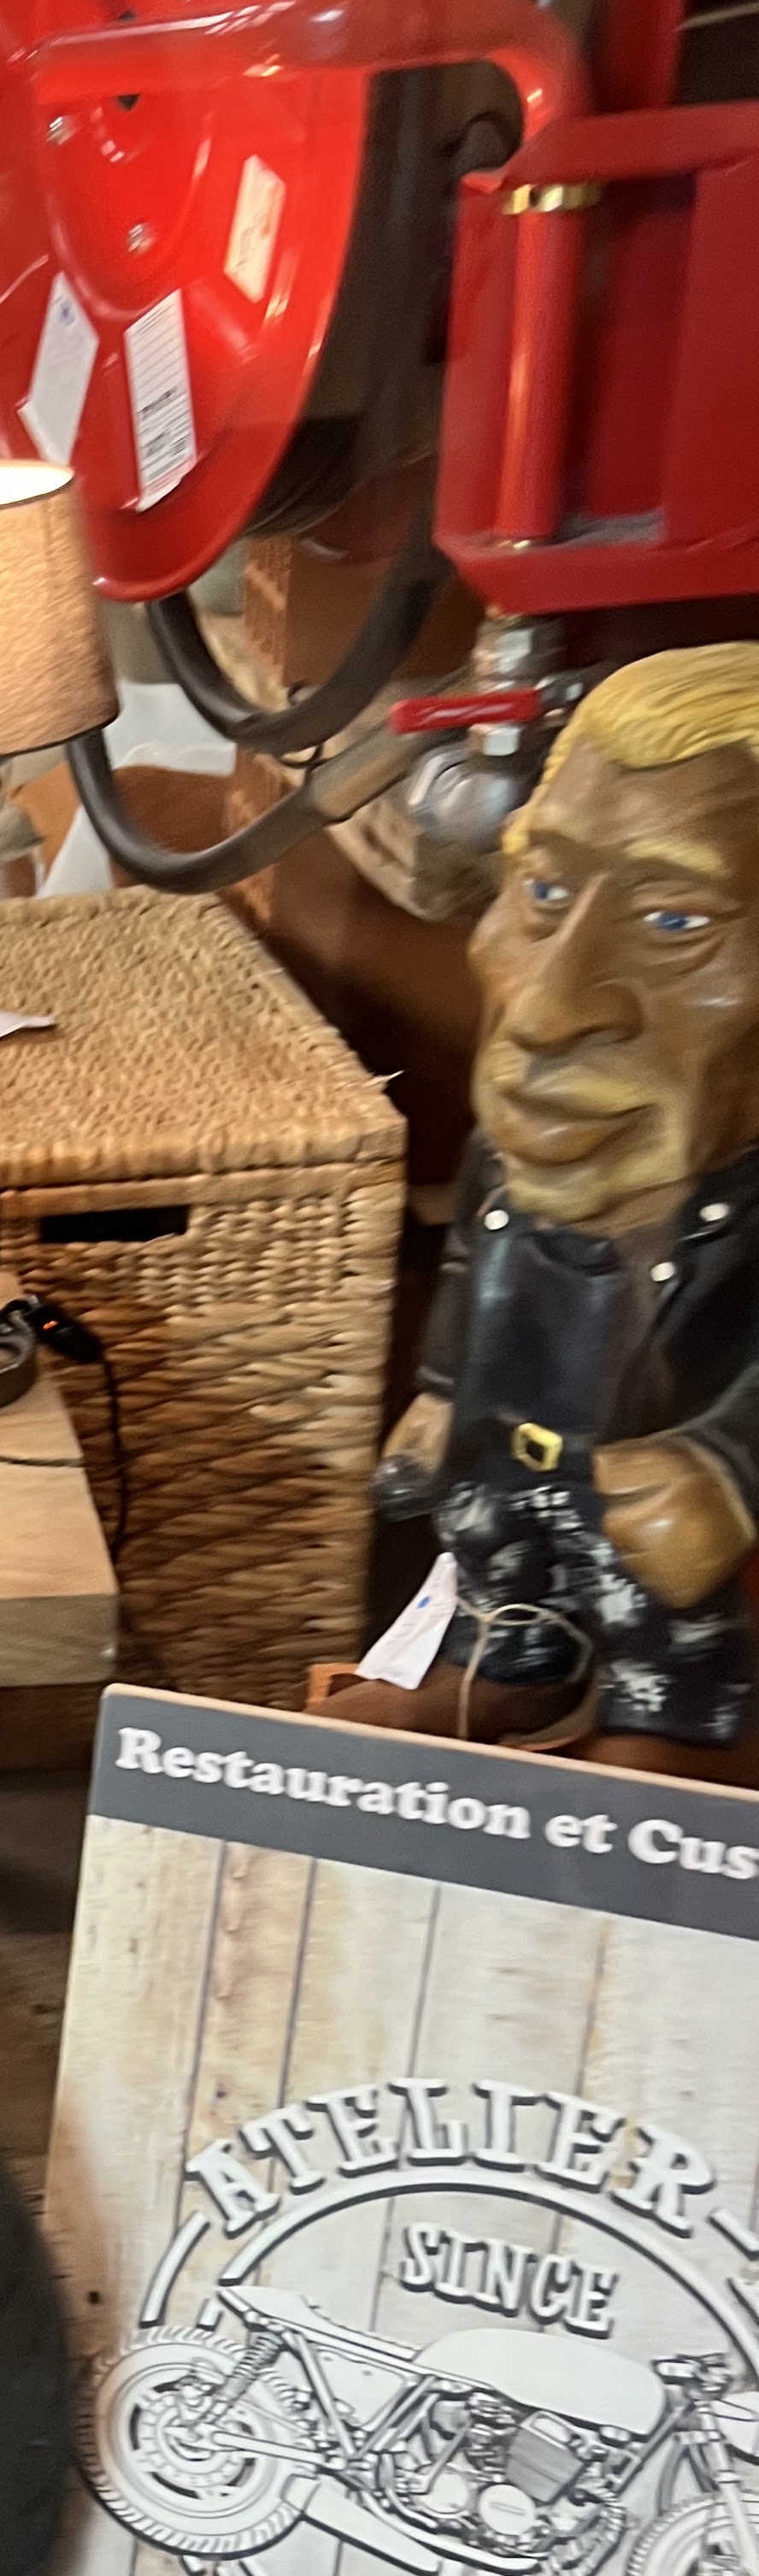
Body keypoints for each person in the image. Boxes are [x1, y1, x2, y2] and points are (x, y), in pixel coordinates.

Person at [327, 645, 759, 1779]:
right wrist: (438, 1391)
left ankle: (664, 1723)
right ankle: (507, 1668)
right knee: (498, 1564)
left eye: (677, 920)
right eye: (547, 894)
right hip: (515, 1459)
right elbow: (470, 1268)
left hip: (656, 1508)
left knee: (666, 1613)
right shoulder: (517, 1152)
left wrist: (728, 1468)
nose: (549, 1009)